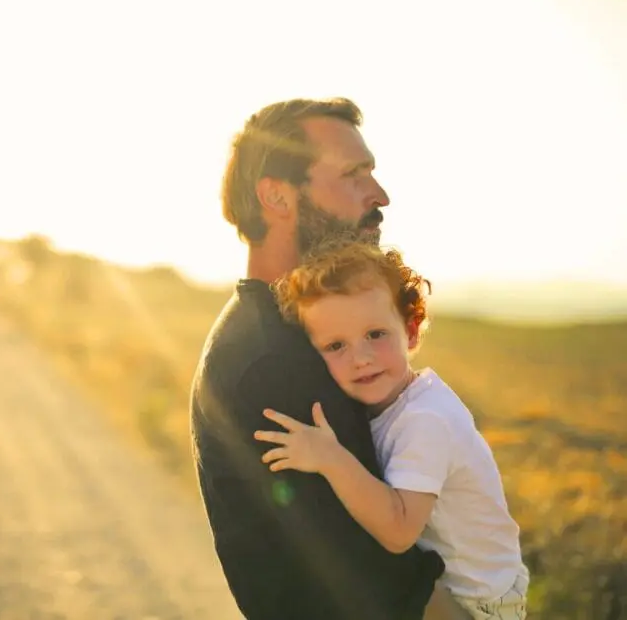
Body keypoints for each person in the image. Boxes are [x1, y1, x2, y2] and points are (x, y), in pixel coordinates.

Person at [189, 98, 466, 619]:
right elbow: (366, 581)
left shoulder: (286, 332)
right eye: (353, 174)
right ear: (276, 196)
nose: (379, 195)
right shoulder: (275, 359)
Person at [253, 239, 530, 619]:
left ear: (411, 331)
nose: (361, 358)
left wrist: (330, 458)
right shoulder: (386, 405)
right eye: (336, 346)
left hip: (479, 602)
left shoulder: (425, 420)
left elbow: (399, 531)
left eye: (376, 335)